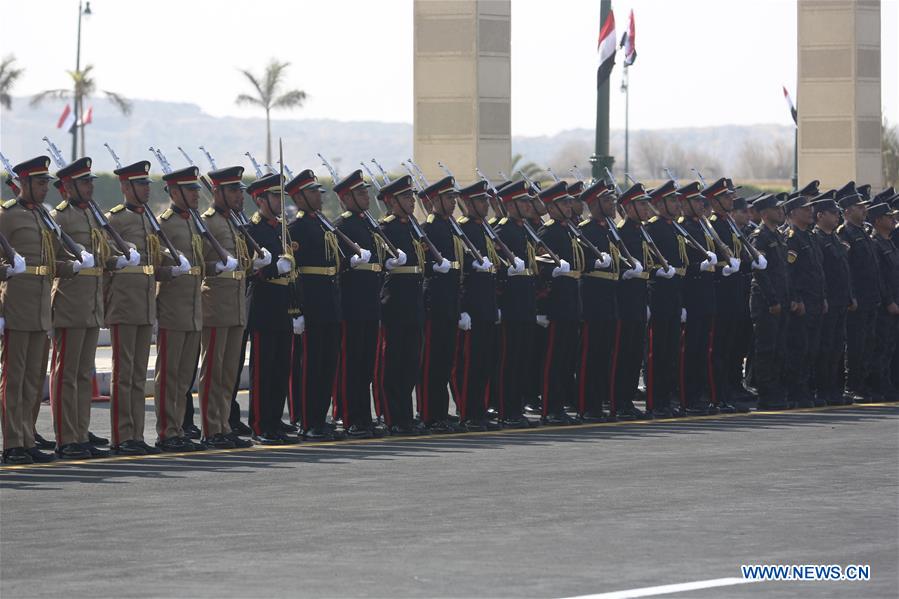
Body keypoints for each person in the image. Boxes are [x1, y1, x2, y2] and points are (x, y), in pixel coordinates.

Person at [0, 156, 76, 464]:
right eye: (40, 183)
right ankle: (12, 442)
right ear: (23, 183)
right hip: (16, 304)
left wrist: (73, 265)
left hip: (41, 307)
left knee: (33, 379)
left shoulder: (44, 218)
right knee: (14, 378)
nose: (46, 188)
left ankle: (27, 437)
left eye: (47, 183)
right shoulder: (7, 215)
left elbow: (53, 259)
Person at [49, 157, 121, 459]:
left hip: (91, 304)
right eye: (84, 182)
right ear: (68, 188)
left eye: (91, 181)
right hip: (69, 302)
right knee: (66, 372)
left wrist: (121, 258)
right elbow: (50, 259)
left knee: (81, 375)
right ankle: (66, 438)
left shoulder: (93, 216)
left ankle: (80, 432)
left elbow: (104, 257)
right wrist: (73, 265)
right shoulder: (59, 217)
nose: (91, 186)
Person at [154, 166, 216, 452]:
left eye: (196, 190)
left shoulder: (194, 223)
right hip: (172, 308)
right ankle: (167, 432)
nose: (196, 195)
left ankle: (178, 428)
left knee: (183, 377)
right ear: (175, 192)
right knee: (168, 374)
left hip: (193, 308)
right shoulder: (164, 224)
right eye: (191, 190)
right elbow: (156, 265)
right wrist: (169, 270)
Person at [105, 159, 163, 455]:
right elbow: (104, 265)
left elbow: (154, 265)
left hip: (144, 306)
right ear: (126, 187)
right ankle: (122, 436)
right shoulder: (114, 220)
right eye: (140, 184)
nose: (146, 190)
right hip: (124, 306)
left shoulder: (150, 219)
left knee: (139, 375)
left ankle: (137, 434)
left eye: (147, 184)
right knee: (123, 374)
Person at [198, 166, 258, 449]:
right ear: (217, 192)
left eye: (239, 191)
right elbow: (199, 263)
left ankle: (223, 424)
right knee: (213, 369)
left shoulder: (234, 222)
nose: (238, 196)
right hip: (215, 304)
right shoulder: (208, 222)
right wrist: (216, 266)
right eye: (233, 191)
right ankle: (211, 428)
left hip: (235, 305)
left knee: (229, 372)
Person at [286, 169, 343, 441]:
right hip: (310, 305)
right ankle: (308, 421)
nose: (318, 197)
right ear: (298, 197)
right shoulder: (294, 230)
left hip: (329, 304)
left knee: (327, 366)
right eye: (312, 192)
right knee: (309, 368)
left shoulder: (323, 225)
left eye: (318, 192)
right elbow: (293, 275)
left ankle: (321, 418)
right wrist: (297, 310)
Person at [245, 173, 301, 445]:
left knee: (280, 368)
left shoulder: (282, 228)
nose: (280, 202)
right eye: (274, 197)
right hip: (264, 304)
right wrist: (270, 268)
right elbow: (248, 269)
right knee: (263, 369)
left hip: (282, 304)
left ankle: (274, 420)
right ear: (260, 199)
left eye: (281, 197)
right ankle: (259, 424)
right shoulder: (251, 230)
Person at [374, 175, 429, 435]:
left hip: (414, 301)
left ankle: (406, 414)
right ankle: (392, 415)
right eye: (406, 197)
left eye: (412, 197)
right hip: (395, 301)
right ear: (391, 201)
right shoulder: (385, 229)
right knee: (393, 363)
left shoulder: (414, 226)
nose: (411, 201)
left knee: (410, 363)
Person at [333, 170, 385, 439]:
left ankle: (364, 416)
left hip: (369, 303)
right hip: (352, 305)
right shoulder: (341, 226)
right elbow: (337, 264)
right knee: (351, 365)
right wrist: (348, 264)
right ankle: (350, 416)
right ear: (347, 197)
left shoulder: (368, 224)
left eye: (366, 191)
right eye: (361, 192)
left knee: (366, 365)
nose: (367, 196)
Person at [453, 180, 504, 431]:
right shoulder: (463, 230)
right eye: (481, 200)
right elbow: (459, 274)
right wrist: (461, 308)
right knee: (469, 366)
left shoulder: (485, 229)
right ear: (469, 204)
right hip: (471, 310)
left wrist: (495, 304)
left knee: (485, 364)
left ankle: (480, 411)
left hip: (486, 308)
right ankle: (468, 412)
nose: (487, 204)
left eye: (486, 200)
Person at [417, 176, 462, 433]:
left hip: (451, 303)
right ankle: (428, 413)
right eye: (448, 198)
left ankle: (440, 410)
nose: (453, 202)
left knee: (445, 361)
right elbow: (423, 267)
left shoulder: (452, 227)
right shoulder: (429, 229)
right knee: (431, 362)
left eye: (454, 198)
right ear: (434, 201)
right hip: (435, 302)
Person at [535, 181, 581, 425]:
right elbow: (539, 269)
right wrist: (542, 309)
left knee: (565, 360)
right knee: (553, 360)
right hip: (556, 306)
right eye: (563, 203)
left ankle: (560, 405)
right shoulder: (549, 232)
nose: (569, 206)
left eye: (568, 202)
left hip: (571, 303)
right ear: (551, 209)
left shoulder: (570, 230)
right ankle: (550, 408)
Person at [576, 180, 620, 421]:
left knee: (604, 355)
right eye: (606, 200)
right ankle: (586, 405)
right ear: (593, 204)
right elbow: (579, 262)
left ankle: (600, 403)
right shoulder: (586, 230)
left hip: (610, 299)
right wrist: (593, 262)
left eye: (612, 200)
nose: (612, 204)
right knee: (589, 356)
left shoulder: (610, 229)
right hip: (593, 300)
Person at [837, 182, 882, 402]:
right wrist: (851, 296)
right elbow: (846, 270)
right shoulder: (844, 233)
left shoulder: (863, 232)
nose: (864, 210)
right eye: (859, 207)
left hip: (871, 298)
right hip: (857, 300)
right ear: (847, 211)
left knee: (868, 343)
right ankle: (852, 385)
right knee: (855, 345)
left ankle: (863, 384)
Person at [644, 180, 685, 418]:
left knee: (671, 352)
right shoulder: (653, 228)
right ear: (659, 204)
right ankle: (655, 401)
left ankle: (666, 399)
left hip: (674, 295)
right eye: (671, 200)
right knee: (657, 352)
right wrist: (655, 272)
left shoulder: (673, 227)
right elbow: (645, 261)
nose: (677, 204)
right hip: (659, 294)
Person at [781, 192, 826, 408]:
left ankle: (806, 389)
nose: (811, 212)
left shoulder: (809, 236)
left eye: (811, 208)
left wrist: (823, 297)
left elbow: (817, 271)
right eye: (806, 209)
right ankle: (795, 391)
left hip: (816, 300)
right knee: (799, 348)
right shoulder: (792, 238)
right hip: (802, 303)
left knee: (812, 349)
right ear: (793, 213)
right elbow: (789, 274)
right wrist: (796, 299)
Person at [810, 193, 855, 406]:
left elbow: (844, 271)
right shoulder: (817, 238)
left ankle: (835, 389)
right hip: (826, 302)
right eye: (833, 213)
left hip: (840, 301)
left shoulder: (834, 238)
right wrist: (824, 298)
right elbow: (818, 274)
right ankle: (823, 389)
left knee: (837, 347)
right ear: (820, 215)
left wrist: (849, 296)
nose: (837, 216)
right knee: (825, 347)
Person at [749, 193, 791, 410]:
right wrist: (773, 300)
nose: (781, 212)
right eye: (776, 209)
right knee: (766, 348)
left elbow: (784, 272)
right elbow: (760, 274)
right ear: (765, 214)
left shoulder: (779, 236)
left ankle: (777, 390)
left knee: (779, 348)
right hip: (766, 303)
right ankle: (766, 394)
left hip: (781, 300)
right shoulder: (761, 237)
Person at [866, 202, 899, 401]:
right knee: (882, 346)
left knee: (890, 347)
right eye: (889, 216)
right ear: (878, 220)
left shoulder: (889, 242)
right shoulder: (876, 242)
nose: (893, 219)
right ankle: (880, 385)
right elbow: (879, 278)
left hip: (895, 300)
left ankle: (888, 383)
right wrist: (888, 301)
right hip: (886, 305)